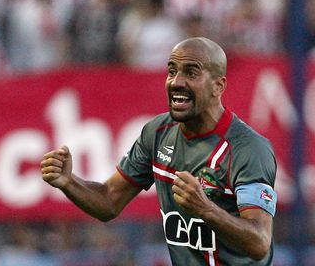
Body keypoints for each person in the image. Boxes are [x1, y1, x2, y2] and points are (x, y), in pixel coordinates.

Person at [40, 37, 278, 265]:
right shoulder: (158, 132)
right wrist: (69, 182)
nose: (176, 82)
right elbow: (109, 200)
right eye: (172, 70)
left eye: (191, 72)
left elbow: (259, 242)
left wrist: (206, 209)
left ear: (218, 85)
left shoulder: (248, 149)